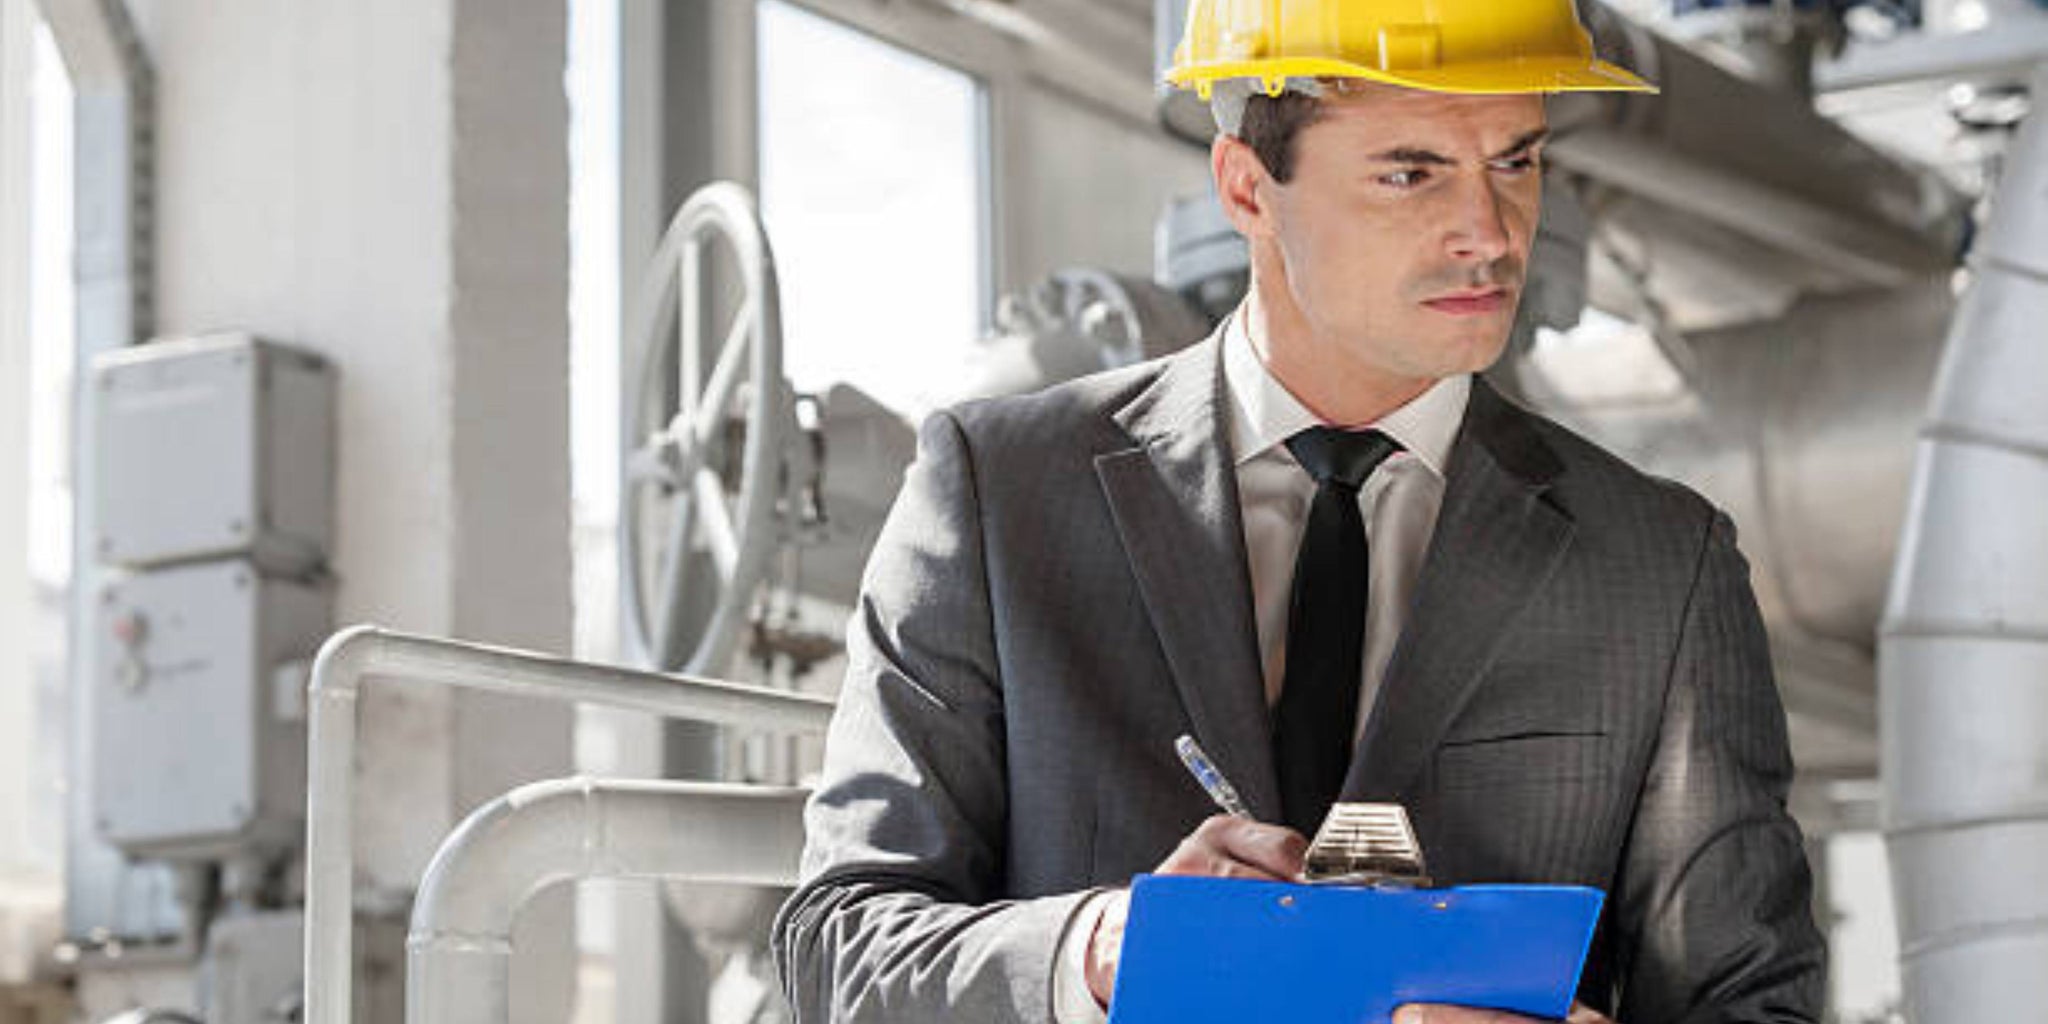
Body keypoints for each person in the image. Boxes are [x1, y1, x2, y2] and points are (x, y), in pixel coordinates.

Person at [771, 2, 1826, 1021]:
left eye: (1513, 159)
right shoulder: (1001, 493)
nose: (1488, 232)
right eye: (1409, 172)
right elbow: (841, 952)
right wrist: (1099, 948)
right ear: (1245, 189)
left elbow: (1751, 998)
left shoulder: (1656, 562)